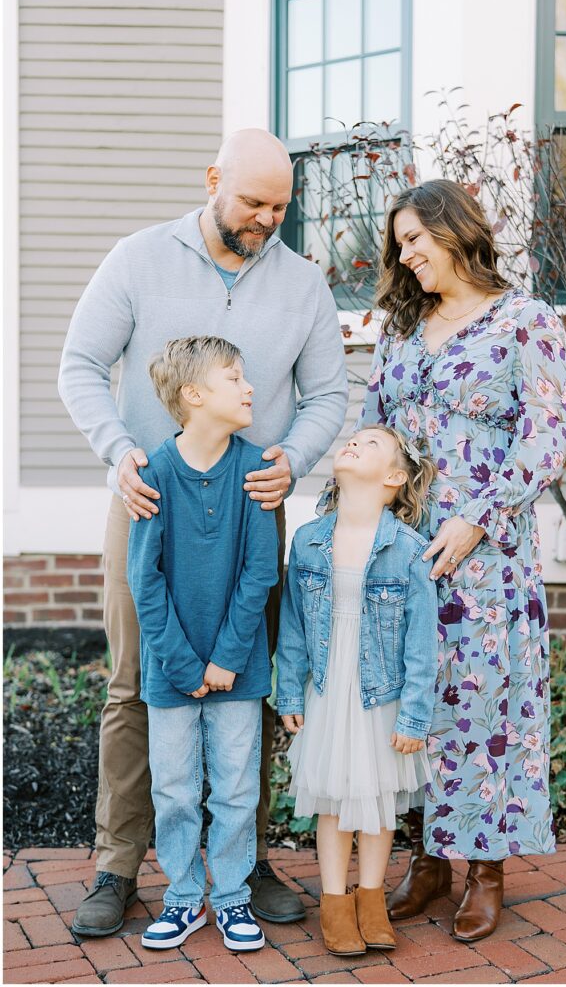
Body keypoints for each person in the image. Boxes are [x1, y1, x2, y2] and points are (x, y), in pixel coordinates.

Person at [59, 129, 348, 937]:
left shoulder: (303, 284)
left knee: (243, 681)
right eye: (253, 202)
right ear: (214, 180)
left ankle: (242, 864)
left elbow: (328, 392)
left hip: (254, 502)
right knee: (134, 682)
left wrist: (294, 457)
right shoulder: (138, 257)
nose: (266, 219)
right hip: (149, 503)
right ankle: (118, 864)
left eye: (281, 208)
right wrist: (120, 455)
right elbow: (80, 364)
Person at [357, 179, 566, 941]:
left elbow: (547, 436)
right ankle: (428, 859)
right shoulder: (401, 328)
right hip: (405, 545)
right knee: (411, 702)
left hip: (485, 554)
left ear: (455, 232)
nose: (405, 255)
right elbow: (373, 422)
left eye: (415, 239)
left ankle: (485, 867)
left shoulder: (525, 321)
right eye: (400, 244)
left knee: (483, 707)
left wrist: (477, 519)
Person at [127, 336, 277, 951]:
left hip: (236, 667)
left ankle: (234, 895)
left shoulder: (254, 471)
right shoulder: (153, 474)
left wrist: (225, 659)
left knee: (238, 786)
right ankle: (185, 897)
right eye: (234, 379)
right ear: (194, 396)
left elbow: (259, 573)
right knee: (175, 788)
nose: (249, 389)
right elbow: (146, 581)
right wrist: (187, 663)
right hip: (171, 671)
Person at [276, 425, 439, 956]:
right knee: (333, 799)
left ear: (394, 477)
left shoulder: (410, 550)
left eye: (370, 444)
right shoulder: (308, 539)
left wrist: (414, 717)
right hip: (329, 684)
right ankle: (334, 901)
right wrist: (291, 694)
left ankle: (371, 899)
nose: (353, 443)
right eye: (352, 439)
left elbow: (421, 644)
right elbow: (295, 626)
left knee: (377, 799)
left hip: (380, 691)